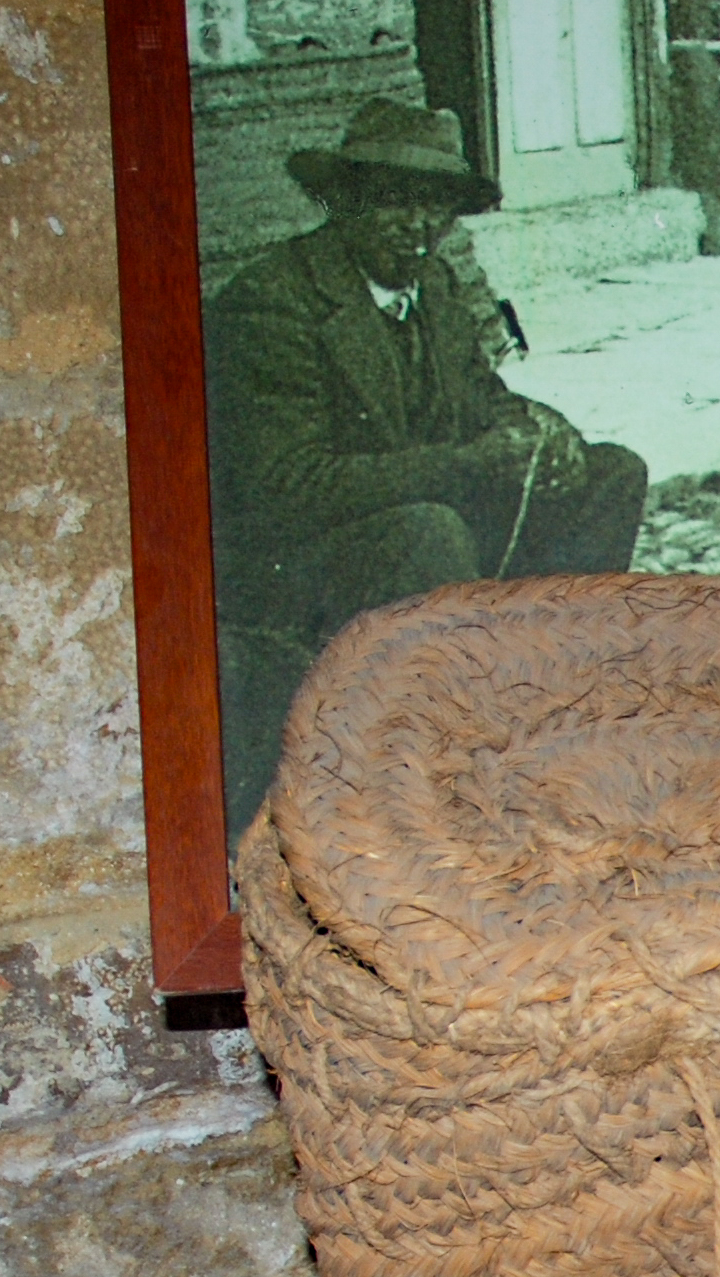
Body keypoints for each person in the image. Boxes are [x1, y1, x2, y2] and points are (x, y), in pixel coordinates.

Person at [205, 100, 647, 827]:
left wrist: (538, 427)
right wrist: (469, 464)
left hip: (417, 530)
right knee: (431, 532)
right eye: (394, 203)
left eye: (435, 209)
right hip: (298, 562)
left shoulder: (433, 286)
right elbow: (286, 489)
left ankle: (548, 687)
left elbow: (479, 395)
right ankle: (440, 749)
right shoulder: (275, 304)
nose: (416, 227)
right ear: (345, 201)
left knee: (609, 474)